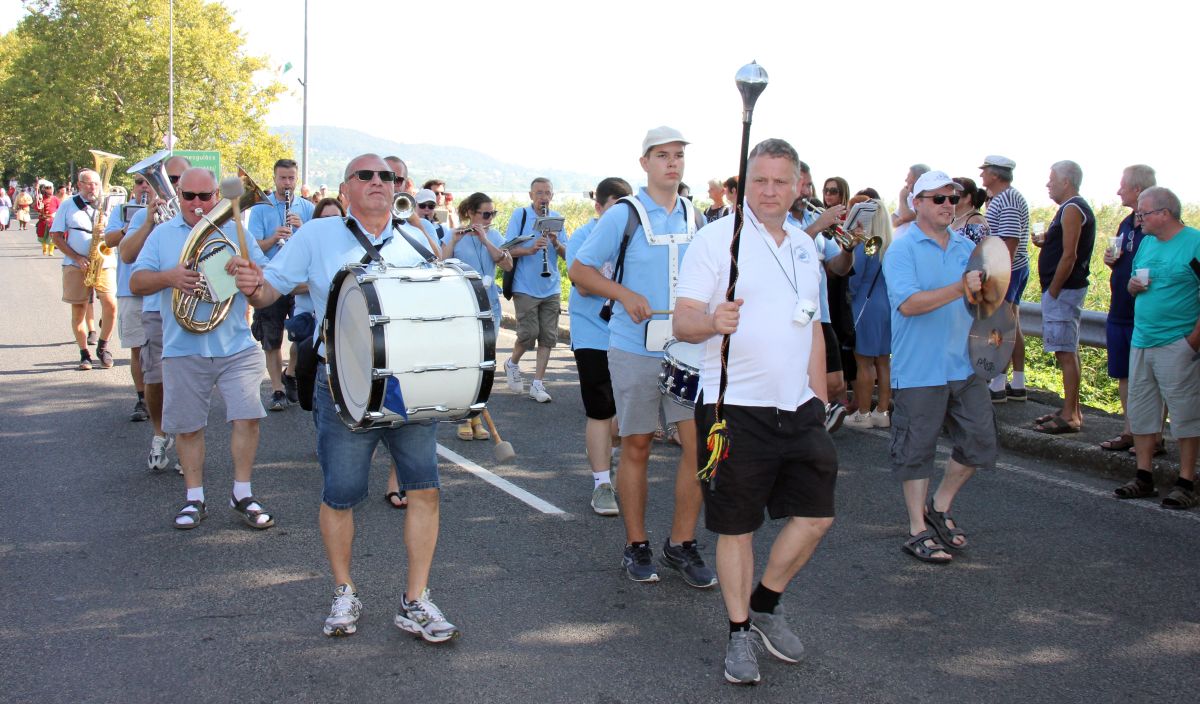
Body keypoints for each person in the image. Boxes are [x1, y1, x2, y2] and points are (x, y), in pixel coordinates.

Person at [234, 153, 459, 641]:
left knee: (424, 490)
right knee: (340, 495)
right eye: (367, 176)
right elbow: (269, 291)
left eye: (388, 177)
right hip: (342, 385)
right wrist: (252, 288)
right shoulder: (316, 236)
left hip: (406, 387)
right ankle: (344, 590)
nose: (380, 183)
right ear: (346, 188)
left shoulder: (416, 239)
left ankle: (416, 599)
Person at [674, 137, 835, 685]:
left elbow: (810, 322)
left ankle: (766, 602)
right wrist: (712, 322)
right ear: (746, 184)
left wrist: (819, 393)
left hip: (798, 408)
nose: (770, 191)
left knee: (817, 516)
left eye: (781, 182)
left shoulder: (803, 248)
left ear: (797, 187)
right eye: (760, 181)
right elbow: (683, 321)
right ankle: (739, 630)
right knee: (736, 528)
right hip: (733, 408)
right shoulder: (718, 241)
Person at [569, 126, 715, 588]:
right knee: (636, 445)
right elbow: (579, 271)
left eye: (678, 156)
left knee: (698, 449)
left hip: (691, 349)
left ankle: (681, 542)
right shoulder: (624, 215)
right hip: (634, 347)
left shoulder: (697, 217)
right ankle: (636, 544)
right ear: (645, 163)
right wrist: (623, 292)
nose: (672, 163)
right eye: (662, 156)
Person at [130, 167, 275, 530]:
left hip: (236, 345)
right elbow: (136, 281)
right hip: (183, 347)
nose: (198, 204)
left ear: (218, 197)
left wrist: (251, 276)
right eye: (189, 197)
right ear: (179, 197)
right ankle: (195, 498)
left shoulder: (236, 232)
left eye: (206, 197)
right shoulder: (163, 235)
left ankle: (242, 492)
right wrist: (170, 277)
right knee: (189, 427)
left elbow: (267, 285)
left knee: (247, 416)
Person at [883, 170, 996, 564]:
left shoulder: (966, 247)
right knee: (917, 451)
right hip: (919, 367)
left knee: (980, 440)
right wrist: (960, 288)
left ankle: (940, 506)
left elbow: (983, 302)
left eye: (953, 198)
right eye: (938, 199)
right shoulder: (902, 248)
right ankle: (917, 529)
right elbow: (909, 304)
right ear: (918, 204)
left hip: (962, 364)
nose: (948, 204)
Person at [1113, 186, 1200, 510]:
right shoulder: (1147, 243)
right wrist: (1132, 285)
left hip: (1177, 342)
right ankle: (1144, 476)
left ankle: (1187, 481)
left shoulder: (1194, 243)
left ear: (1164, 214)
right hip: (1142, 339)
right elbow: (1133, 283)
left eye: (1143, 213)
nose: (1138, 219)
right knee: (1142, 410)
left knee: (1185, 414)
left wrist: (1193, 340)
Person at [565, 177, 632, 516]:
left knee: (623, 418)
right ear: (599, 207)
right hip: (591, 332)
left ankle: (609, 454)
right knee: (600, 409)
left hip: (627, 334)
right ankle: (601, 484)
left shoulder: (633, 239)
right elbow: (586, 286)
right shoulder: (583, 237)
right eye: (613, 209)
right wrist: (626, 289)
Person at [121, 154, 191, 472]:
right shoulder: (147, 216)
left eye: (178, 180)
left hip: (194, 306)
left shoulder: (200, 215)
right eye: (169, 179)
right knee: (157, 377)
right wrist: (149, 222)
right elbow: (126, 254)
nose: (173, 186)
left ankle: (187, 441)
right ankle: (160, 434)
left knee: (190, 378)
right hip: (157, 306)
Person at [441, 191, 512, 442]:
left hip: (490, 304)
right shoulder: (455, 235)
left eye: (493, 213)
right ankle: (465, 418)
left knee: (484, 365)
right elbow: (441, 263)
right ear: (470, 213)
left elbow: (506, 264)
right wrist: (452, 239)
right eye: (485, 214)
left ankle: (477, 416)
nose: (490, 218)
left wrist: (486, 240)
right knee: (465, 363)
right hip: (463, 306)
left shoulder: (494, 235)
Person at [248, 158, 316, 411]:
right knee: (272, 338)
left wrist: (303, 227)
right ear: (275, 178)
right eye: (282, 178)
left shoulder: (307, 208)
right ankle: (277, 388)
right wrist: (273, 237)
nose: (287, 183)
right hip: (272, 278)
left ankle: (291, 373)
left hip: (299, 282)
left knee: (301, 336)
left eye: (291, 178)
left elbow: (316, 245)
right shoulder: (260, 209)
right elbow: (253, 246)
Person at [1032, 160, 1095, 434]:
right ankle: (1072, 409)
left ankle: (1070, 414)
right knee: (1067, 350)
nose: (1048, 184)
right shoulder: (1071, 209)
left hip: (1064, 290)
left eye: (1051, 179)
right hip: (1067, 289)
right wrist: (1048, 240)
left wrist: (1054, 289)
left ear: (1066, 181)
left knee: (1065, 352)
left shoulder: (1071, 209)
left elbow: (1070, 255)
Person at [1100, 165, 1158, 453]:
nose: (1118, 190)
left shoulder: (1159, 227)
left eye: (1122, 185)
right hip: (1119, 309)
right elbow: (1121, 257)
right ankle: (1130, 430)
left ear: (1137, 190)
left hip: (1144, 314)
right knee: (1124, 372)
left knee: (1150, 376)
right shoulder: (1126, 222)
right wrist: (1111, 260)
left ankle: (1154, 437)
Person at [787, 194, 851, 431]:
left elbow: (837, 268)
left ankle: (810, 419)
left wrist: (849, 250)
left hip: (818, 313)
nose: (804, 192)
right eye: (800, 185)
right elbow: (788, 251)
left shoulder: (815, 218)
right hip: (789, 313)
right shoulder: (780, 221)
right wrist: (817, 226)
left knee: (835, 383)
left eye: (808, 185)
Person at [503, 177, 566, 403]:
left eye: (547, 193)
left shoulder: (557, 219)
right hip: (525, 285)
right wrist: (530, 249)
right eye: (539, 193)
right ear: (531, 196)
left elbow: (567, 254)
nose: (543, 197)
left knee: (548, 337)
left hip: (551, 286)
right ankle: (512, 363)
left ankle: (538, 384)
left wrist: (556, 243)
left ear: (552, 195)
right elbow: (506, 249)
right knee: (528, 333)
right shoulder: (520, 216)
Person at [49, 169, 118, 371]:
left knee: (111, 304)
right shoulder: (68, 205)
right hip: (76, 265)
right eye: (88, 183)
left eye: (96, 183)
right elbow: (56, 235)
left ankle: (103, 346)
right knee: (78, 310)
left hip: (103, 261)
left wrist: (108, 230)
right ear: (79, 185)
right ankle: (84, 353)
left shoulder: (108, 205)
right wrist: (76, 257)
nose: (93, 187)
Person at [104, 173, 156, 421]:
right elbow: (109, 240)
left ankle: (164, 395)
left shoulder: (167, 209)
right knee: (138, 347)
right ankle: (142, 398)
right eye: (139, 182)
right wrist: (132, 225)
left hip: (161, 287)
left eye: (149, 182)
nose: (144, 186)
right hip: (130, 288)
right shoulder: (122, 209)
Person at [979, 155, 1031, 402]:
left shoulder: (1006, 200)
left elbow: (1010, 242)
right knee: (1013, 323)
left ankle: (999, 382)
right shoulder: (1007, 198)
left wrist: (998, 274)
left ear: (996, 175)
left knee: (1000, 324)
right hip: (1016, 267)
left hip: (1008, 269)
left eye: (985, 171)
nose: (981, 175)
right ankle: (1017, 381)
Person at [842, 198, 895, 429]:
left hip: (865, 305)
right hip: (887, 307)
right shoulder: (892, 247)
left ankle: (862, 413)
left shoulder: (866, 247)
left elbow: (853, 280)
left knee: (864, 362)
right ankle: (882, 412)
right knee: (883, 361)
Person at [950, 177, 990, 244]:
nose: (948, 200)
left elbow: (977, 252)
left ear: (967, 198)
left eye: (953, 196)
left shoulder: (975, 221)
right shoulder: (956, 218)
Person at [890, 164, 931, 229]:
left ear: (917, 179)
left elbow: (905, 216)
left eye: (908, 176)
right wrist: (902, 219)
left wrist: (902, 198)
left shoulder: (926, 199)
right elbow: (893, 220)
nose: (905, 180)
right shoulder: (909, 197)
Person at [35, 181, 59, 256]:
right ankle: (44, 249)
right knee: (43, 236)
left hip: (52, 220)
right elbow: (37, 207)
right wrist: (39, 205)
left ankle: (51, 251)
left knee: (52, 236)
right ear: (45, 189)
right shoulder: (41, 198)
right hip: (43, 219)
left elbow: (60, 208)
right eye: (47, 188)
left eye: (50, 188)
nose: (49, 190)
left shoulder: (55, 199)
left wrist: (55, 215)